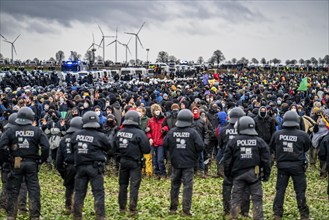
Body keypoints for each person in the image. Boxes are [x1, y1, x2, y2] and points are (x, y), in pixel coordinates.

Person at [0, 107, 50, 220]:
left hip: (16, 162)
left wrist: (9, 159)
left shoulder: (10, 130)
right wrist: (41, 160)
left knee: (14, 189)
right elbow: (46, 147)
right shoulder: (37, 131)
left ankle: (11, 215)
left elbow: (2, 146)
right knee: (33, 190)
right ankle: (35, 216)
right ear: (31, 117)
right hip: (32, 163)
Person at [224, 116, 271, 220]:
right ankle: (258, 217)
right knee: (257, 197)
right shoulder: (260, 141)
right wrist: (266, 175)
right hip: (254, 174)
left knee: (236, 196)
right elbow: (266, 160)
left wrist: (228, 174)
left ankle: (234, 216)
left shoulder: (233, 141)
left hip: (238, 174)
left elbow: (227, 160)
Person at [270, 111, 311, 220]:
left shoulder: (277, 134)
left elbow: (272, 146)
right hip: (298, 166)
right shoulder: (303, 134)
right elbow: (306, 147)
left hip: (282, 166)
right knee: (300, 191)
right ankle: (304, 215)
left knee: (280, 190)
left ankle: (277, 214)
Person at [71, 111, 112, 220]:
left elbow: (71, 149)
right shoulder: (100, 136)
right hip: (95, 168)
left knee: (79, 192)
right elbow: (109, 147)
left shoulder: (76, 135)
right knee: (98, 192)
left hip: (80, 168)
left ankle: (77, 215)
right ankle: (100, 216)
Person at [163, 109, 204, 216]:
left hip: (175, 163)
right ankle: (186, 210)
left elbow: (165, 144)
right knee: (187, 186)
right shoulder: (193, 132)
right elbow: (200, 146)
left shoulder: (172, 131)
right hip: (189, 163)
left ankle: (173, 208)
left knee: (175, 185)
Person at [113, 110, 151, 216]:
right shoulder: (139, 133)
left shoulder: (119, 132)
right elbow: (147, 149)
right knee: (134, 186)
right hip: (135, 162)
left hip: (123, 161)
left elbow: (113, 148)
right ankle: (132, 209)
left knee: (122, 185)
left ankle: (122, 208)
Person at [218, 107, 251, 217]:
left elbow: (221, 144)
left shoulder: (224, 129)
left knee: (227, 186)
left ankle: (227, 210)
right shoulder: (246, 131)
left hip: (228, 161)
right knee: (245, 186)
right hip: (243, 161)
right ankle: (244, 211)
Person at [0, 113, 28, 213]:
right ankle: (21, 206)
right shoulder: (25, 133)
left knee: (7, 182)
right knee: (22, 183)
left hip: (9, 161)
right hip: (18, 160)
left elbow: (2, 149)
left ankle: (4, 206)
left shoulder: (5, 133)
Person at [56, 116, 83, 214]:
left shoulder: (64, 139)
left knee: (69, 187)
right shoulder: (82, 138)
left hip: (68, 167)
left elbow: (58, 160)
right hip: (80, 167)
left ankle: (68, 207)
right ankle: (77, 209)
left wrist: (63, 172)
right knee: (79, 189)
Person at [146, 104, 166, 178]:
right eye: (155, 110)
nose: (156, 112)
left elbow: (167, 126)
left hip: (161, 142)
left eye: (157, 110)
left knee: (160, 159)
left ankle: (163, 173)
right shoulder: (150, 120)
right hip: (153, 142)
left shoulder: (164, 119)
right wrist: (150, 138)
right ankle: (157, 173)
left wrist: (164, 129)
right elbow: (148, 131)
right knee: (154, 160)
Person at [136, 106, 152, 177]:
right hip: (137, 140)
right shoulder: (135, 120)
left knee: (147, 157)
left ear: (144, 112)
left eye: (140, 111)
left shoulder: (148, 120)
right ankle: (141, 172)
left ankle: (148, 172)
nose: (138, 113)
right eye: (137, 111)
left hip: (145, 140)